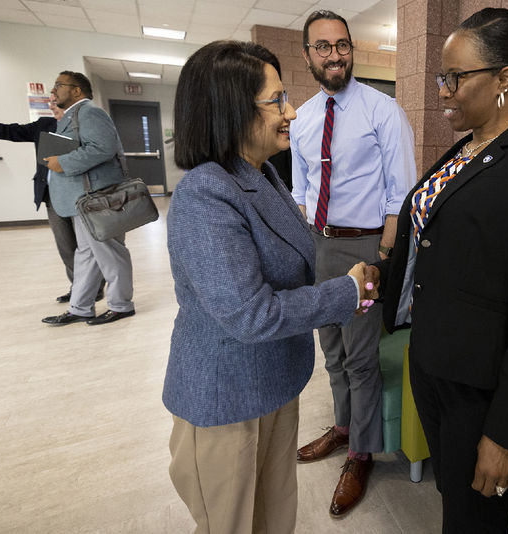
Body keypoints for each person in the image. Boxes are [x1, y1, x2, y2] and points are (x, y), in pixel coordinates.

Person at [366, 8, 508, 533]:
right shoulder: (462, 153)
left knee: (476, 520)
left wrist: (507, 433)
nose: (443, 90)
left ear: (505, 80)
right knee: (456, 501)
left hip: (481, 390)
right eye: (443, 77)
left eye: (455, 78)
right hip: (433, 364)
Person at [162, 40, 375, 534]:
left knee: (274, 516)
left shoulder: (261, 175)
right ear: (230, 109)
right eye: (276, 100)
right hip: (226, 400)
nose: (292, 112)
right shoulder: (205, 195)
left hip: (273, 384)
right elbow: (250, 314)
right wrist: (346, 292)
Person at [290, 10, 416, 518]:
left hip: (365, 247)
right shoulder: (300, 117)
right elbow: (302, 190)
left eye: (342, 44)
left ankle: (362, 453)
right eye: (323, 47)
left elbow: (399, 191)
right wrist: (306, 248)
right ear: (308, 55)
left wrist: (383, 255)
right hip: (320, 245)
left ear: (351, 50)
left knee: (362, 357)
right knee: (333, 350)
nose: (335, 54)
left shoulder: (383, 111)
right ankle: (343, 428)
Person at [0, 99, 105, 303]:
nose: (53, 106)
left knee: (88, 247)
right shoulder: (44, 125)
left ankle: (94, 288)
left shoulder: (85, 124)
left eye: (58, 102)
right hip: (52, 196)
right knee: (66, 247)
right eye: (52, 103)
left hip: (80, 195)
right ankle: (79, 288)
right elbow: (6, 131)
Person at [41, 71, 134, 326]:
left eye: (59, 85)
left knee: (110, 252)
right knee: (86, 254)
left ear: (77, 91)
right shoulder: (71, 116)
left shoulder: (90, 112)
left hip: (95, 197)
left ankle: (121, 305)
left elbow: (103, 148)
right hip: (81, 199)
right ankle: (80, 307)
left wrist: (63, 162)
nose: (54, 90)